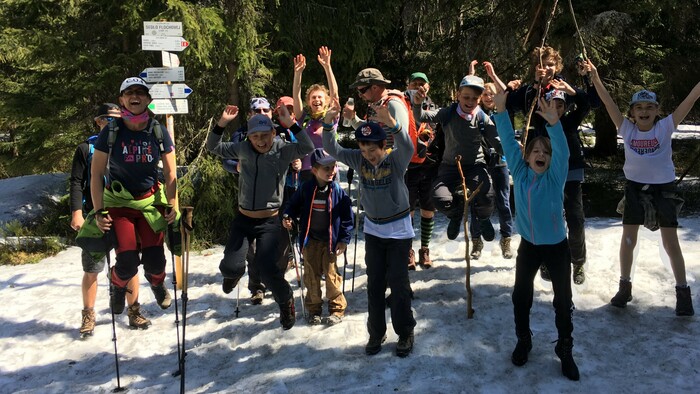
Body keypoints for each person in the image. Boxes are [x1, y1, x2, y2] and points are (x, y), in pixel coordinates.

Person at [589, 60, 700, 316]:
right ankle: (625, 286)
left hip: (664, 190)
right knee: (628, 239)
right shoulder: (626, 128)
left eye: (650, 107)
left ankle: (683, 292)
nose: (644, 111)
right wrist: (595, 78)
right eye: (639, 107)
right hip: (634, 189)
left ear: (658, 110)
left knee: (671, 243)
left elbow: (691, 99)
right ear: (631, 112)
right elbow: (608, 104)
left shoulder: (665, 126)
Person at [324, 79, 416, 357]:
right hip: (374, 233)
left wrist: (393, 123)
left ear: (382, 145)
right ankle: (376, 334)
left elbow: (408, 147)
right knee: (375, 286)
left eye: (372, 150)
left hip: (399, 233)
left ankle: (405, 332)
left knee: (399, 287)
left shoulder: (394, 160)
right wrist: (330, 123)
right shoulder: (359, 160)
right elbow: (334, 149)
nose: (368, 155)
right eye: (363, 150)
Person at [493, 90, 579, 381]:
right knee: (520, 295)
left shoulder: (555, 177)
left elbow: (563, 152)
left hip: (556, 248)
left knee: (562, 299)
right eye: (535, 151)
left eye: (545, 152)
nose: (540, 155)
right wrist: (501, 111)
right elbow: (506, 140)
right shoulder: (520, 171)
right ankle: (523, 339)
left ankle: (565, 349)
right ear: (527, 157)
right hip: (528, 247)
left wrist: (554, 125)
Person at [207, 104, 314, 330]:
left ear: (273, 133)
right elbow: (213, 146)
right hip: (244, 218)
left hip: (269, 221)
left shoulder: (282, 149)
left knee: (267, 270)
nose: (260, 140)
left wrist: (291, 124)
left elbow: (307, 146)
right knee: (231, 265)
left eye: (265, 135)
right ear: (249, 137)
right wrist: (222, 122)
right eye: (255, 136)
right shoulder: (243, 148)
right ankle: (232, 273)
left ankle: (285, 302)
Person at [496, 47, 592, 284]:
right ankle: (547, 261)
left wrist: (577, 88)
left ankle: (578, 262)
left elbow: (590, 104)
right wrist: (511, 88)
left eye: (551, 64)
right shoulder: (530, 92)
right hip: (540, 165)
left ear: (557, 66)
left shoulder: (562, 88)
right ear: (536, 66)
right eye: (543, 63)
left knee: (575, 216)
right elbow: (506, 104)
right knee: (545, 215)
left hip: (568, 165)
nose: (547, 68)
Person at [90, 78, 176, 319]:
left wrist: (173, 205)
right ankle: (117, 285)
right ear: (122, 99)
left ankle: (157, 284)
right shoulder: (112, 130)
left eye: (140, 92)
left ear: (148, 100)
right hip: (119, 204)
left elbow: (170, 172)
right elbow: (96, 173)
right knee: (127, 261)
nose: (135, 96)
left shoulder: (157, 130)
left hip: (149, 202)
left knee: (156, 262)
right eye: (129, 93)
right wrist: (98, 211)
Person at [70, 103, 148, 335]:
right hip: (96, 216)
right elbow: (76, 181)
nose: (111, 122)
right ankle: (88, 314)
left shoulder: (129, 145)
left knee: (129, 263)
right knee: (92, 267)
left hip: (125, 213)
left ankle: (134, 310)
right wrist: (76, 212)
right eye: (106, 118)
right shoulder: (86, 148)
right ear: (98, 122)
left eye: (116, 118)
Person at [412, 75, 500, 242]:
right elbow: (421, 116)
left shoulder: (482, 118)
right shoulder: (448, 113)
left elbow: (497, 142)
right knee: (439, 198)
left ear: (479, 99)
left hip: (475, 166)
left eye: (475, 98)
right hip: (450, 166)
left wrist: (515, 150)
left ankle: (483, 218)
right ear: (458, 95)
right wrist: (417, 104)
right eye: (466, 97)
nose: (470, 101)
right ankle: (455, 214)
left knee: (487, 196)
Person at [282, 148, 353, 325]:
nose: (331, 171)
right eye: (326, 168)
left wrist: (343, 240)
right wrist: (287, 216)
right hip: (310, 240)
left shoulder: (337, 190)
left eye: (333, 167)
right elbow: (292, 205)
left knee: (331, 275)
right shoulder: (306, 189)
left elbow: (347, 217)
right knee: (311, 276)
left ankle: (337, 309)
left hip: (330, 242)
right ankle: (314, 309)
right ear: (314, 170)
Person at [467, 61, 514, 260]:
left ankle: (506, 240)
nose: (488, 97)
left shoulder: (503, 112)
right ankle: (476, 242)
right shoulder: (475, 113)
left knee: (503, 201)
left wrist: (493, 75)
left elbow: (506, 91)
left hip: (500, 161)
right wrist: (471, 74)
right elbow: (466, 96)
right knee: (477, 201)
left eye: (491, 94)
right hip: (480, 163)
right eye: (484, 94)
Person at [403, 72, 439, 269]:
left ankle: (424, 249)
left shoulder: (434, 107)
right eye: (414, 83)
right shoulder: (401, 104)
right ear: (408, 85)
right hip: (408, 165)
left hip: (429, 165)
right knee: (408, 211)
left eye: (422, 84)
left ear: (428, 87)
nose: (418, 87)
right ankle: (408, 250)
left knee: (428, 209)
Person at [292, 46, 339, 184]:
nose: (317, 100)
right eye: (313, 98)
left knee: (331, 205)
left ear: (327, 101)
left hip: (329, 169)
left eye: (320, 97)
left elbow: (335, 94)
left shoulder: (331, 117)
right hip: (307, 171)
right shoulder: (304, 118)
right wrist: (298, 74)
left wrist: (327, 67)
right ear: (308, 102)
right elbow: (296, 96)